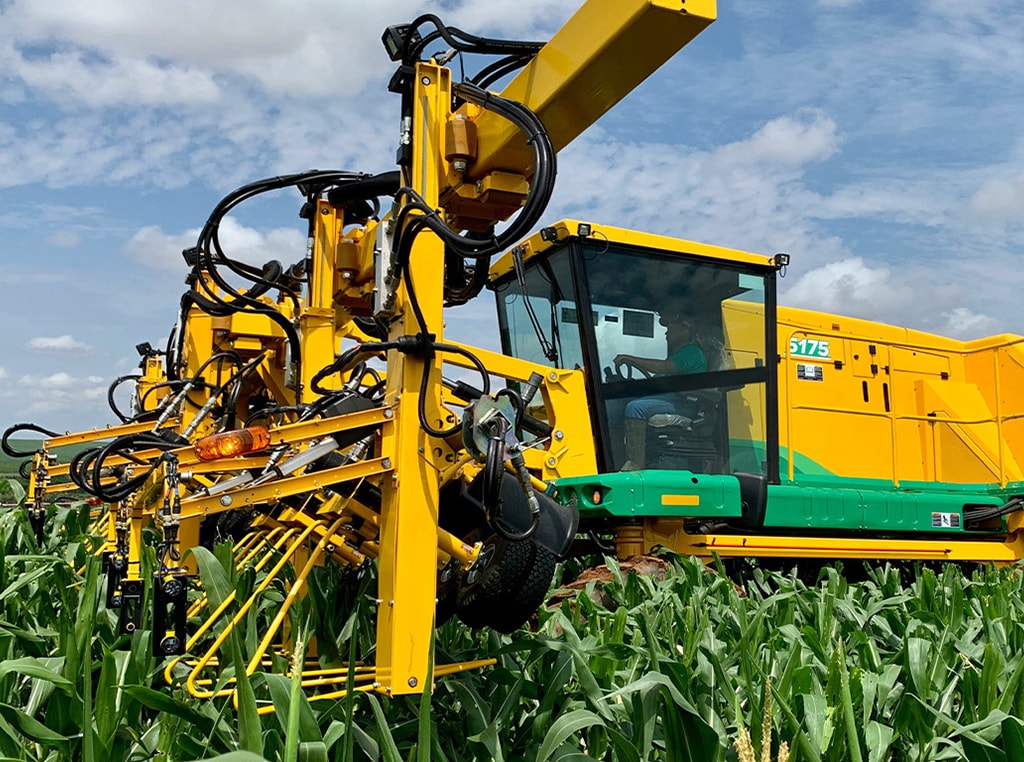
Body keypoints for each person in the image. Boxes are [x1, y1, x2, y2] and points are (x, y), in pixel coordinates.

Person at [613, 314, 707, 470]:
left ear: (684, 331)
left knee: (635, 407)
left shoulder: (692, 353)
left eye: (671, 329)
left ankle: (635, 464)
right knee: (622, 403)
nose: (666, 333)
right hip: (673, 399)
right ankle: (613, 460)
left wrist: (630, 358)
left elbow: (664, 367)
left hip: (686, 404)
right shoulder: (679, 354)